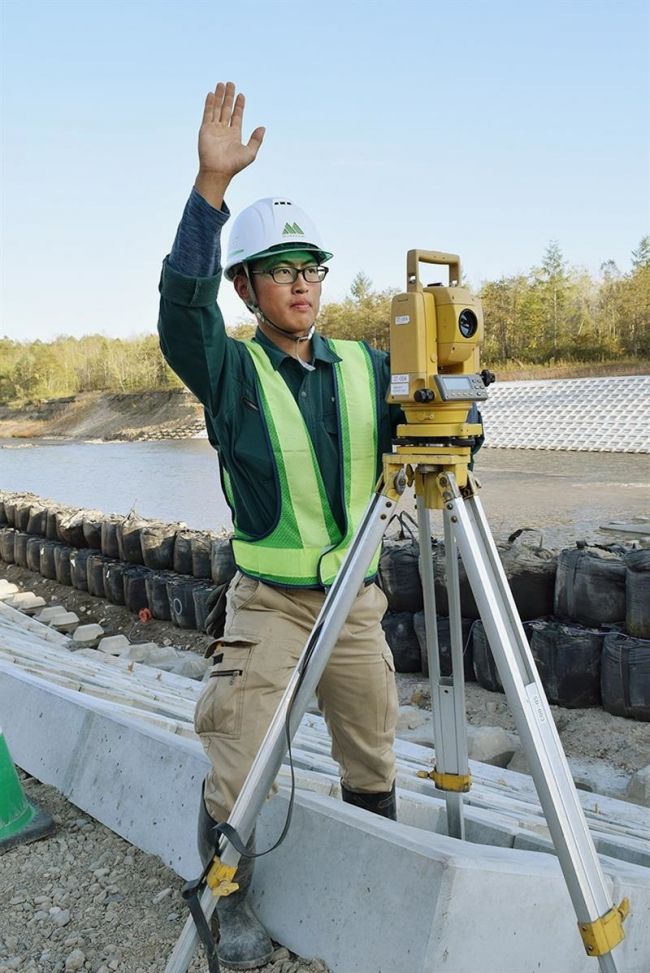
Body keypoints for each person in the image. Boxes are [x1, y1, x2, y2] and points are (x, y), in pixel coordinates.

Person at [158, 81, 400, 970]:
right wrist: (208, 193)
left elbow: (431, 430)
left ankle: (380, 868)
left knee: (373, 741)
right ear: (248, 284)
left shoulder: (367, 365)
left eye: (313, 268)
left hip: (355, 601)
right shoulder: (229, 368)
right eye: (284, 270)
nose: (303, 284)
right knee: (241, 745)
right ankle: (225, 898)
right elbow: (180, 316)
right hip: (270, 601)